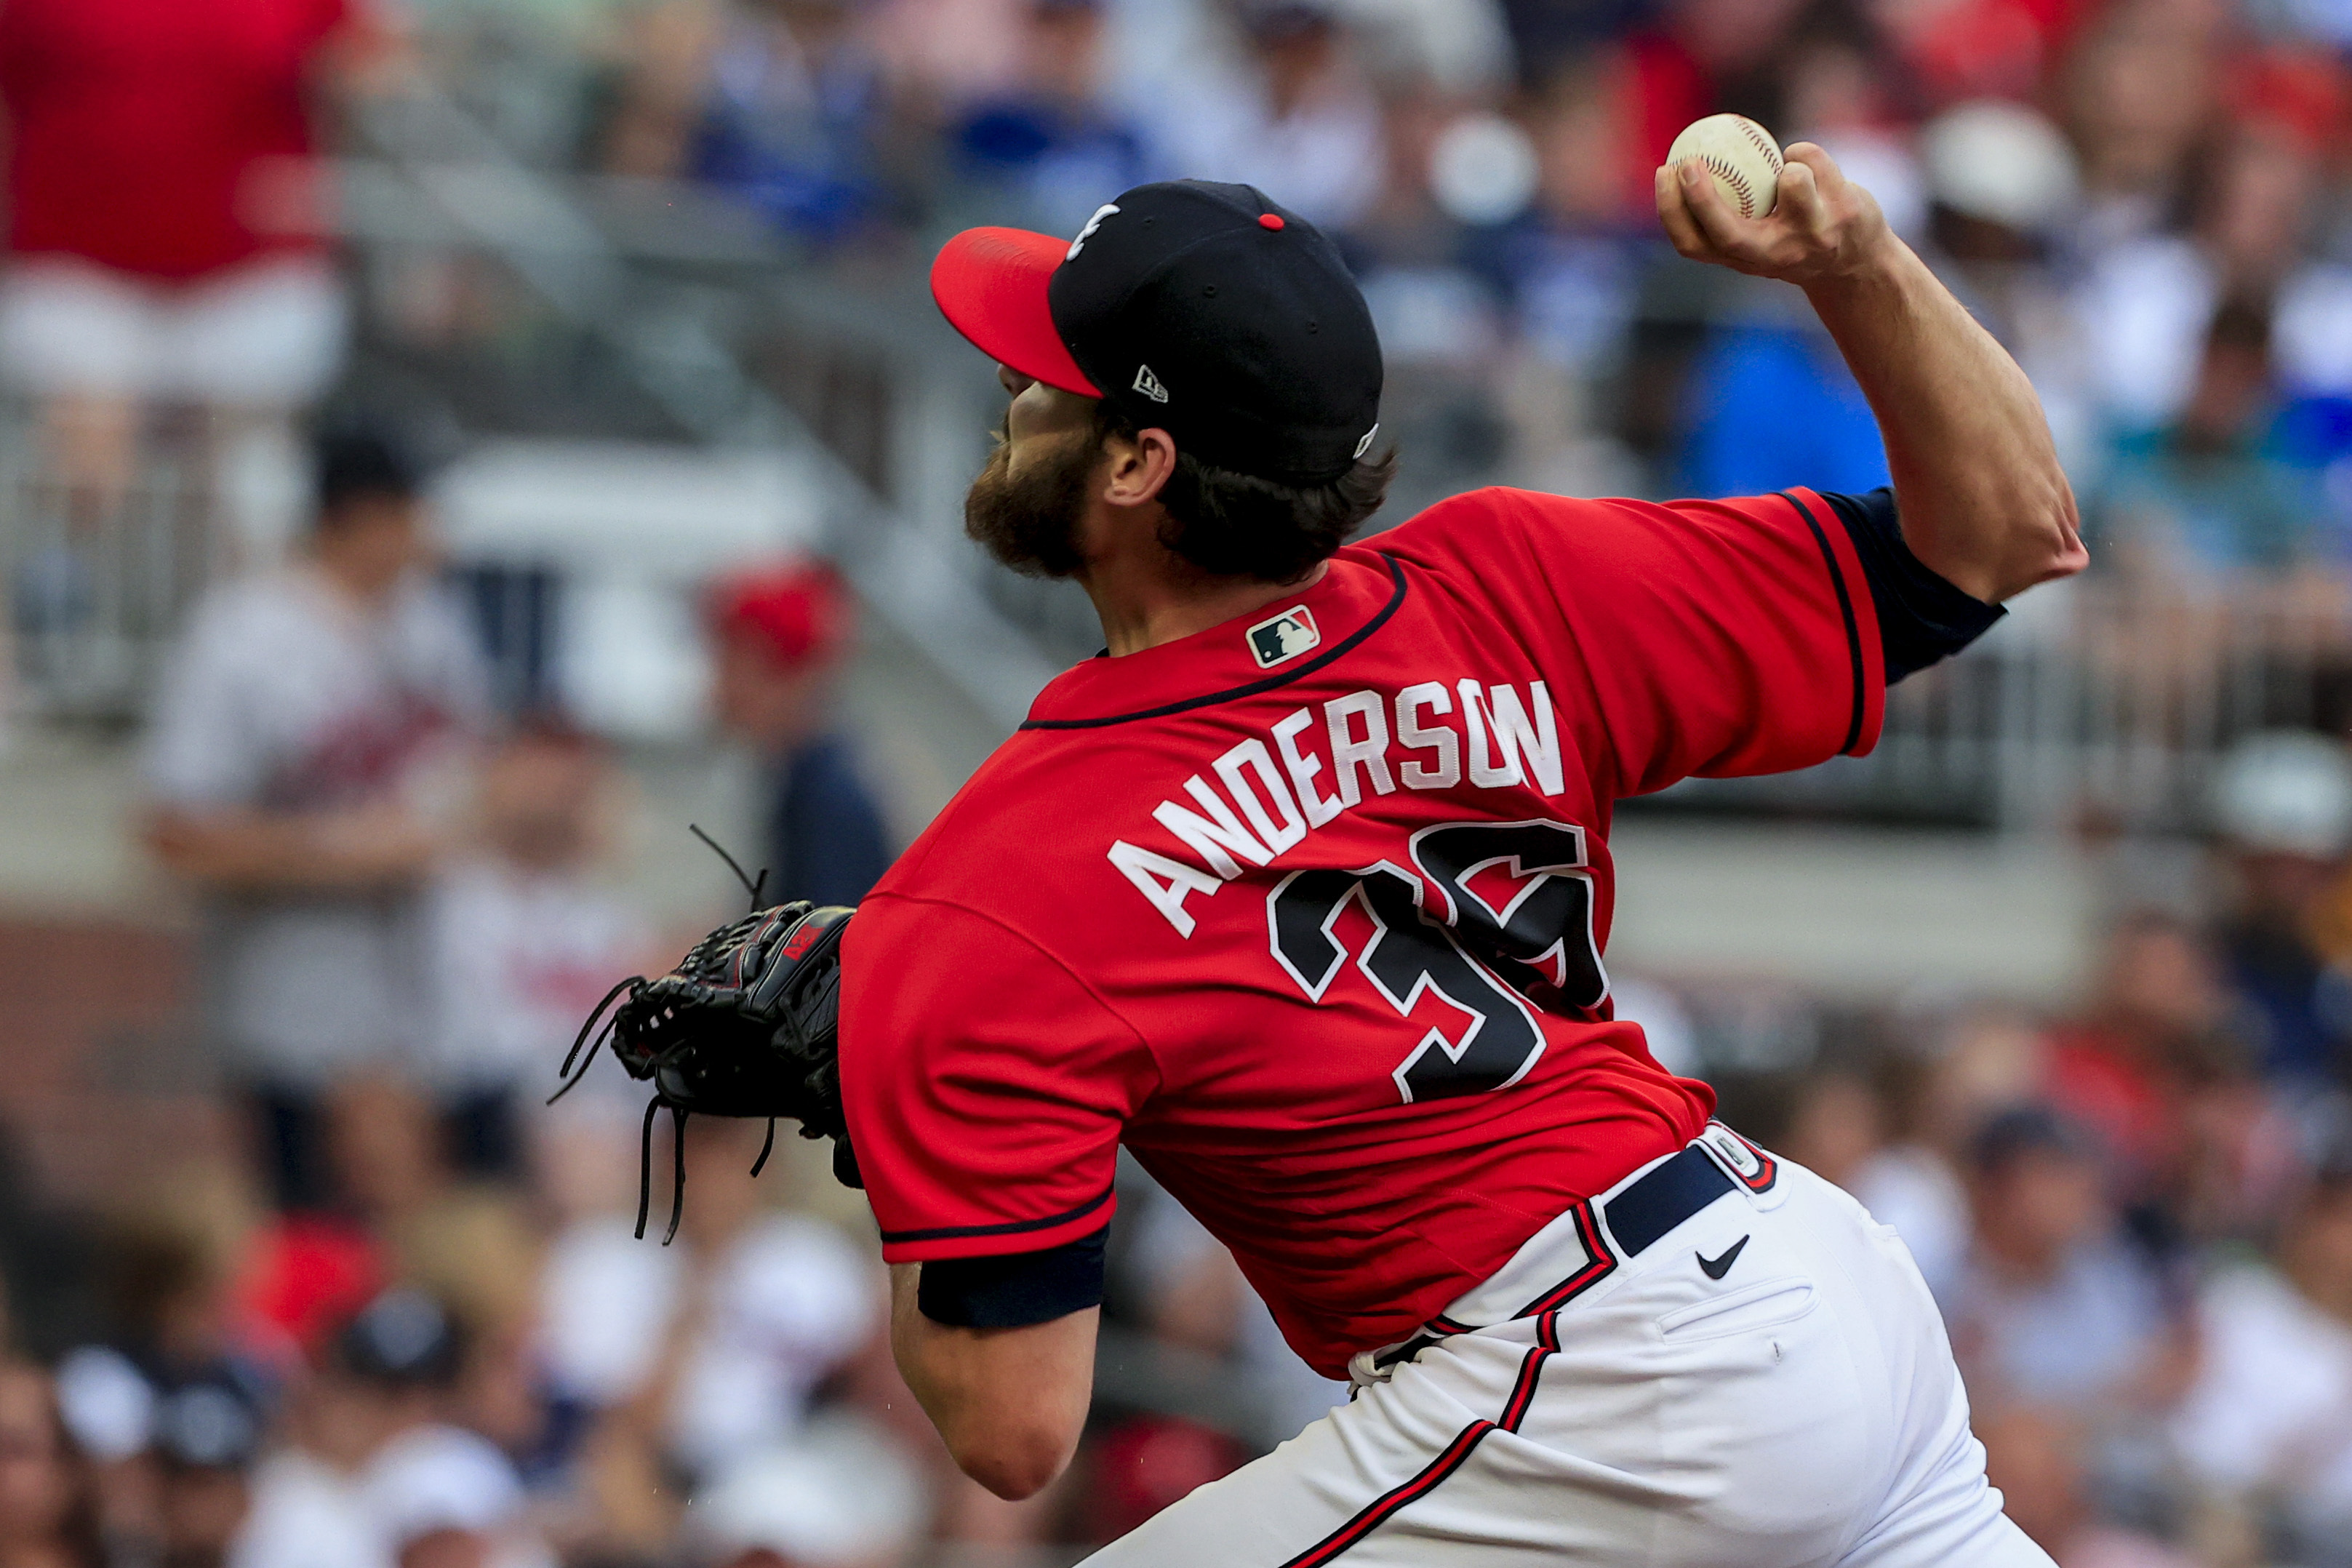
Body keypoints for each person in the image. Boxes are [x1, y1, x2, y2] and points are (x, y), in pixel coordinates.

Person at [834, 145, 2084, 1561]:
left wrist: (905, 1118)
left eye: (1041, 381)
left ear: (1139, 462)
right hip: (1811, 1278)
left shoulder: (1000, 884)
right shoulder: (1512, 583)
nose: (1010, 395)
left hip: (1604, 1375)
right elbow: (2006, 533)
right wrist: (1858, 266)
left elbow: (1012, 1431)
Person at [144, 427, 489, 1213]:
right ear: (362, 515)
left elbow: (465, 786)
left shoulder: (433, 625)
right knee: (306, 1241)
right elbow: (171, 834)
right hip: (289, 1016)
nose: (428, 530)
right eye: (412, 511)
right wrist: (341, 851)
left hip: (426, 1010)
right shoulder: (243, 635)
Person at [707, 565, 893, 908]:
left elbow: (817, 952)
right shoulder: (804, 780)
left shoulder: (828, 800)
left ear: (794, 676)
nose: (717, 688)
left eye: (734, 664)